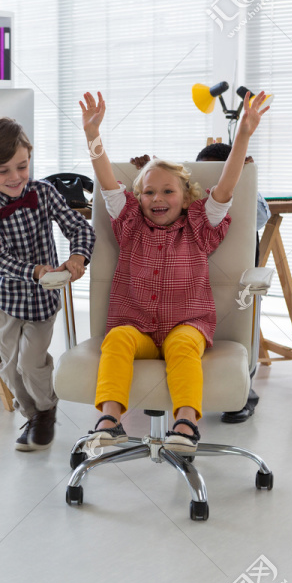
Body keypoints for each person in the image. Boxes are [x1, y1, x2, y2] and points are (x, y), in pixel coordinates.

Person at [79, 90, 269, 453]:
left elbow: (228, 187)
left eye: (168, 191)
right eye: (149, 192)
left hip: (188, 325)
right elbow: (105, 180)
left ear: (186, 195)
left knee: (183, 345)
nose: (158, 199)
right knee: (116, 338)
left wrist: (243, 134)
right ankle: (110, 420)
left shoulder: (200, 225)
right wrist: (93, 136)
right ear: (138, 198)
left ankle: (185, 423)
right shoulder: (129, 223)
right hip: (137, 329)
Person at [0, 117, 96, 451]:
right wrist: (35, 271)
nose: (15, 177)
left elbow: (80, 228)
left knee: (31, 364)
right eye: (3, 171)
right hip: (5, 302)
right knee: (11, 370)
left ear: (30, 158)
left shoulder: (44, 192)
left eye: (22, 166)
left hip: (41, 302)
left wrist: (78, 256)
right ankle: (33, 415)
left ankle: (46, 410)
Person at [130, 143, 268, 423]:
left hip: (218, 281)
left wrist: (243, 177)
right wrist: (152, 176)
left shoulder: (221, 205)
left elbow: (259, 215)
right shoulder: (169, 210)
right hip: (165, 291)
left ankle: (239, 391)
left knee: (236, 324)